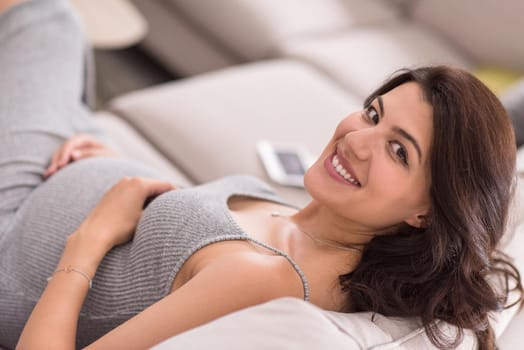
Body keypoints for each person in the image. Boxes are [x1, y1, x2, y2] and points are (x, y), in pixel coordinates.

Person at [0, 0, 521, 349]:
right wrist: (110, 161)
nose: (356, 141)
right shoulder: (329, 229)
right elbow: (182, 253)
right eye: (373, 113)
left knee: (44, 16)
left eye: (398, 151)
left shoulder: (268, 279)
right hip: (66, 172)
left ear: (426, 212)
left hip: (17, 225)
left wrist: (89, 239)